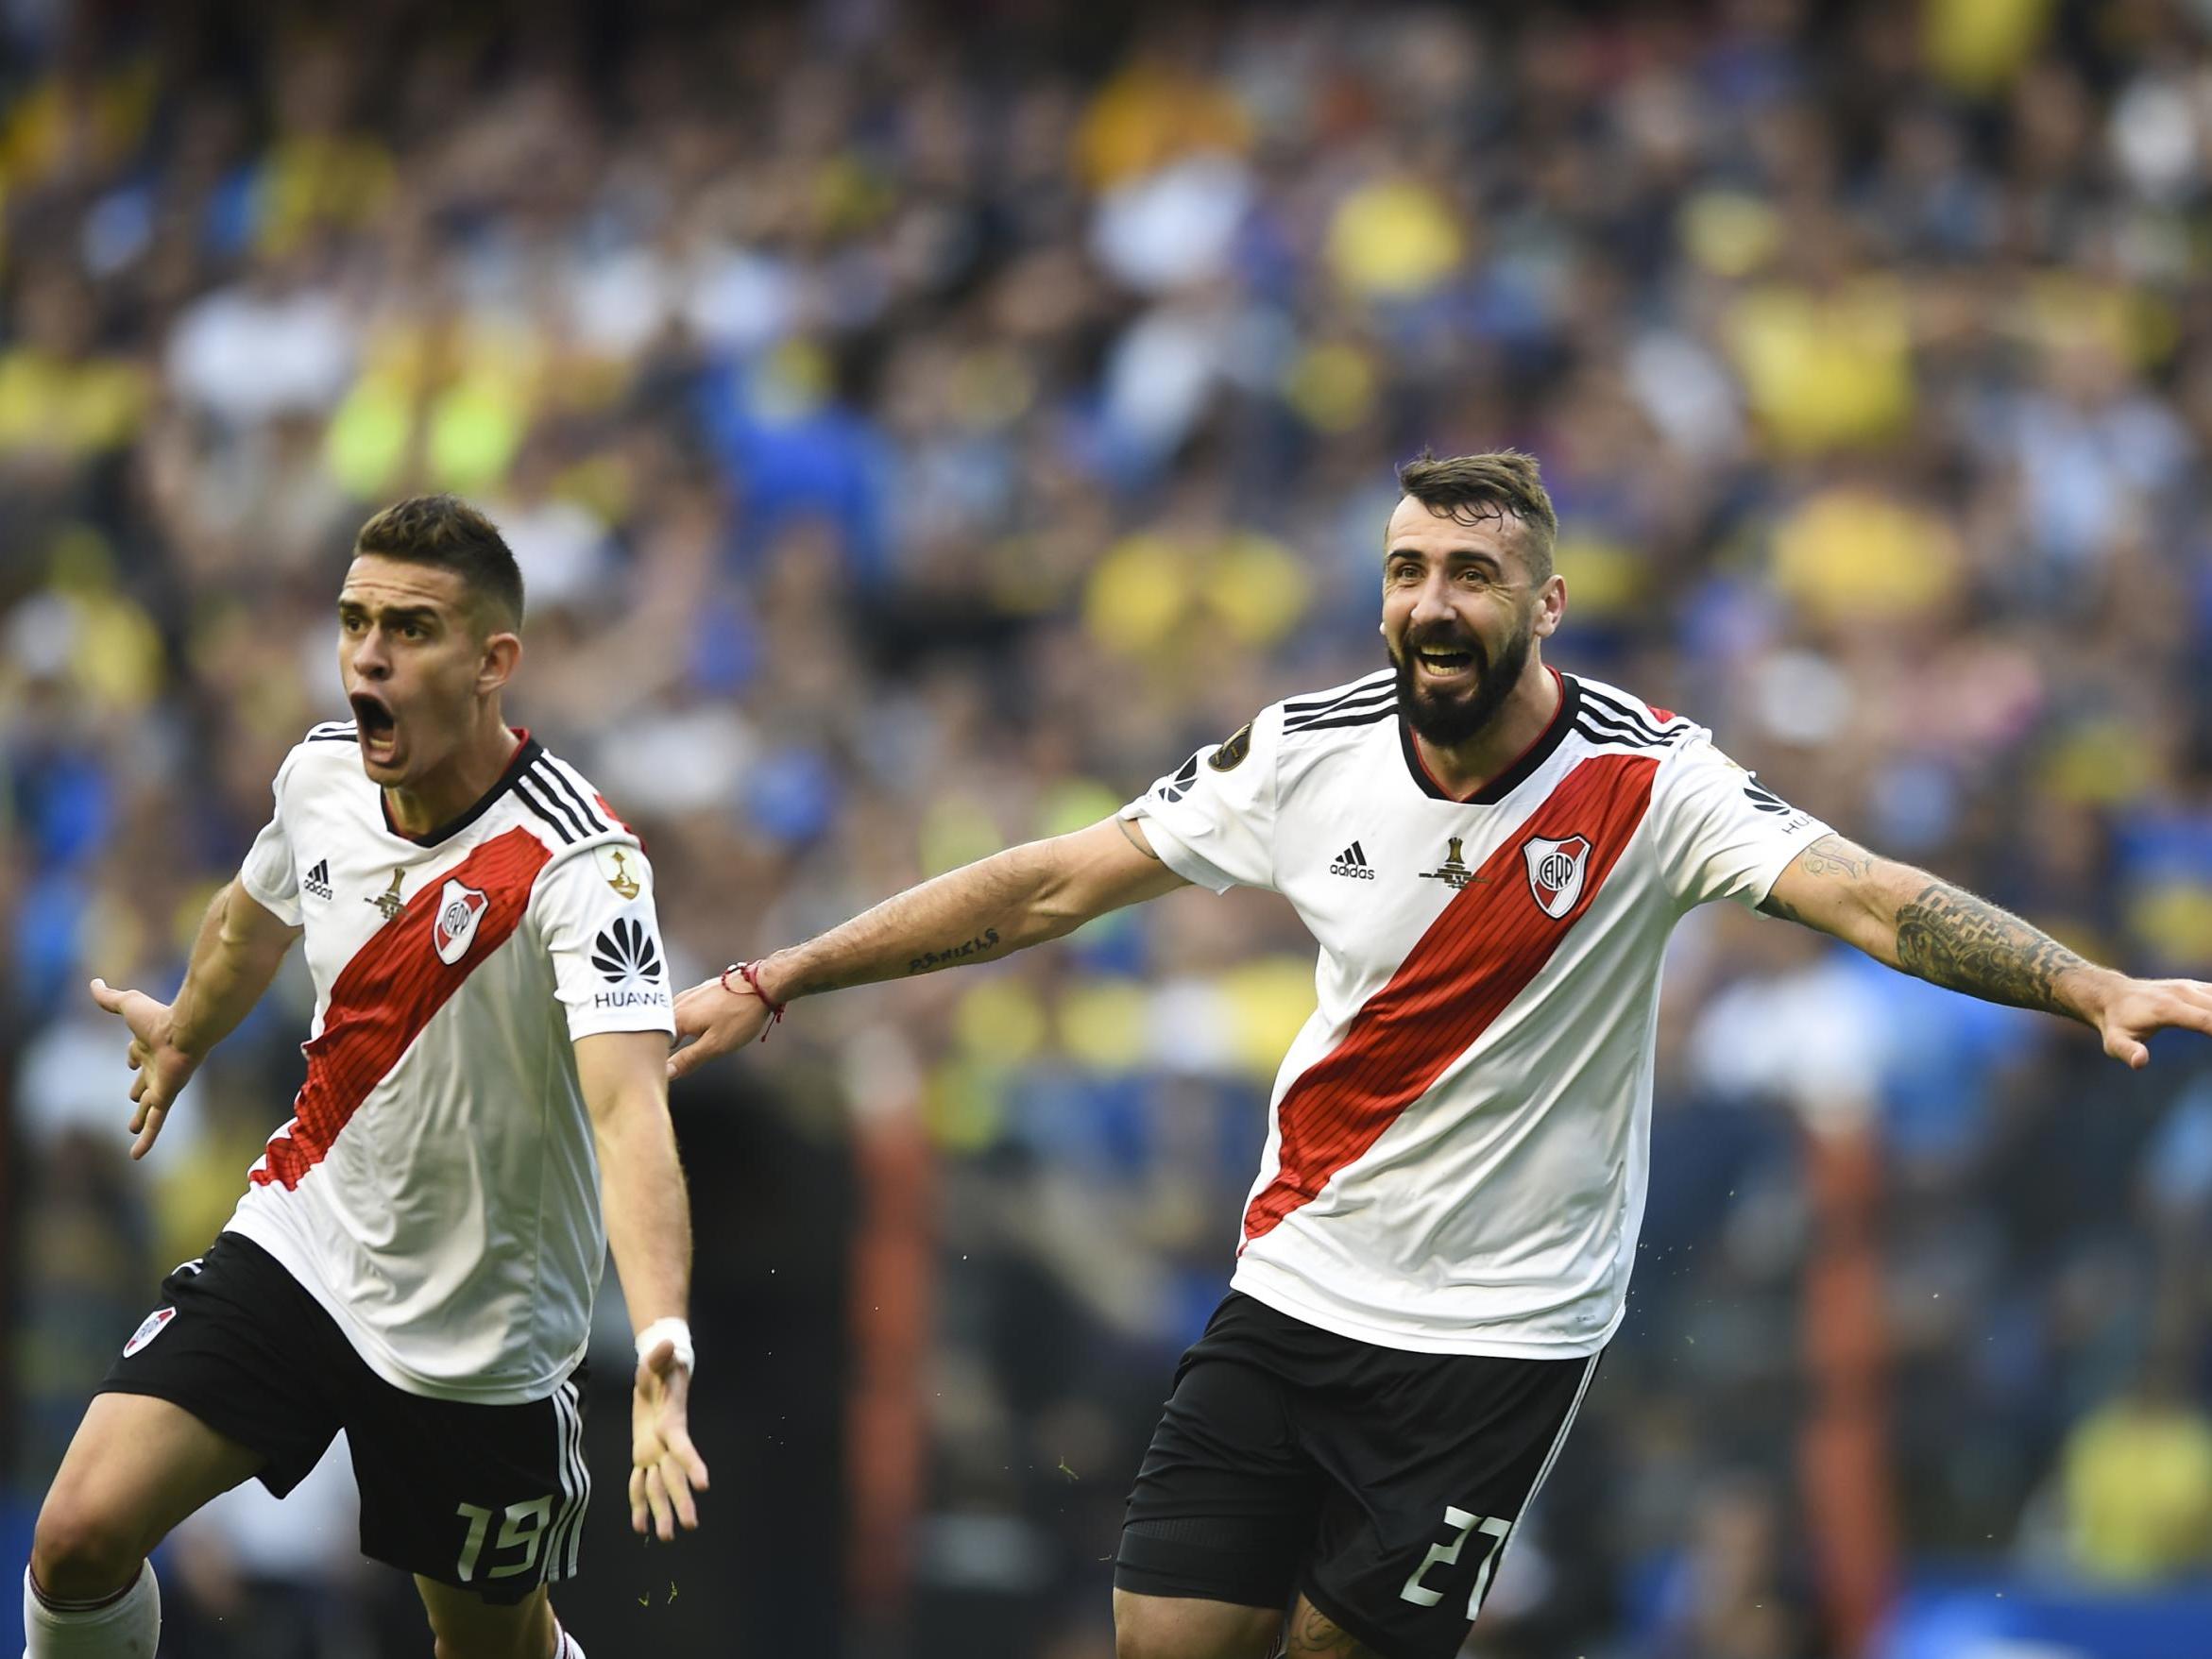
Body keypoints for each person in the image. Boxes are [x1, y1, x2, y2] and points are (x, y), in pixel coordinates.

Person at [668, 451, 2212, 1659]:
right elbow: (1054, 882)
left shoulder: (1649, 780)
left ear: (1544, 603)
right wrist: (788, 971)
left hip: (1498, 1339)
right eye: (1406, 570)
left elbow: (1866, 896)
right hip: (1292, 1288)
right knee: (1166, 1634)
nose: (1431, 600)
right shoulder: (1304, 748)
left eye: (1470, 572)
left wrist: (2083, 983)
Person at [25, 497, 707, 1659]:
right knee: (78, 1534)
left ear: (494, 662)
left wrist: (659, 1340)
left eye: (410, 627)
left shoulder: (581, 864)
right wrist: (187, 1030)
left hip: (478, 1332)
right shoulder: (321, 775)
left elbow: (627, 1109)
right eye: (355, 621)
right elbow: (251, 921)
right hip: (306, 1240)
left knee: (488, 1645)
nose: (370, 655)